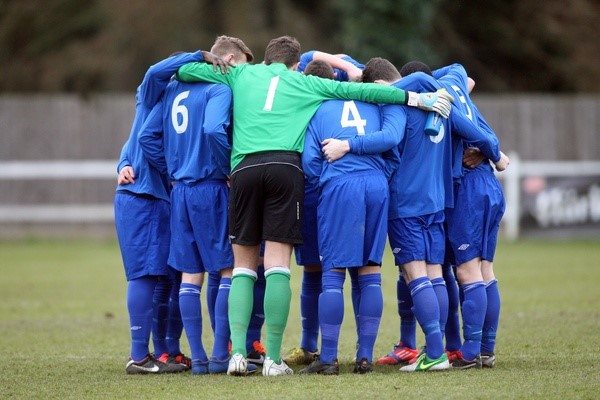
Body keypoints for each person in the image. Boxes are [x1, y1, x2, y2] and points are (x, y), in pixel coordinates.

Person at [175, 35, 453, 377]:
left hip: (244, 168)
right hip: (288, 170)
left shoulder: (241, 73)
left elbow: (185, 72)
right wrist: (416, 98)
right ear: (295, 65)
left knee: (244, 268)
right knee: (279, 266)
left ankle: (237, 354)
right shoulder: (305, 83)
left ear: (265, 59)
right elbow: (367, 92)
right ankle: (274, 360)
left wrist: (203, 56)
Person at [322, 57, 506, 372]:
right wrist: (496, 154)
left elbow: (389, 138)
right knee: (437, 274)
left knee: (415, 274)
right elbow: (480, 130)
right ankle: (448, 350)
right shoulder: (443, 105)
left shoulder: (396, 106)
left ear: (380, 87)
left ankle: (434, 353)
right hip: (438, 203)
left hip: (405, 204)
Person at [138, 35, 255, 375]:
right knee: (227, 268)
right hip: (211, 187)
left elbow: (147, 136)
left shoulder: (174, 87)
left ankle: (199, 360)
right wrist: (228, 168)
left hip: (181, 192)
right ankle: (219, 356)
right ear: (227, 60)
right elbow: (214, 130)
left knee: (191, 274)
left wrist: (172, 171)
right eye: (240, 67)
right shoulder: (219, 88)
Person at [115, 49, 228, 374]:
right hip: (144, 194)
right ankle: (139, 356)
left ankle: (168, 351)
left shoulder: (174, 96)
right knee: (146, 274)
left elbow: (134, 140)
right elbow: (153, 75)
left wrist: (125, 161)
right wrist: (198, 55)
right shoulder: (153, 90)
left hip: (168, 198)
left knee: (172, 275)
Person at [297, 60, 395, 375]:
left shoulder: (318, 109)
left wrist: (328, 180)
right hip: (376, 186)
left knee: (333, 274)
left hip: (340, 187)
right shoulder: (374, 103)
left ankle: (328, 358)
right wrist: (377, 175)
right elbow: (393, 153)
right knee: (370, 272)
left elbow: (310, 161)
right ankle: (365, 358)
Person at [285, 51, 365, 367]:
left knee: (322, 270)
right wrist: (347, 65)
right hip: (335, 191)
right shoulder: (347, 95)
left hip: (317, 189)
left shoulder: (308, 103)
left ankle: (315, 345)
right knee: (332, 268)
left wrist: (344, 65)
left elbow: (304, 56)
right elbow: (359, 66)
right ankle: (355, 349)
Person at [430, 62, 508, 369]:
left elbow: (486, 140)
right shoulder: (462, 90)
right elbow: (465, 75)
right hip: (488, 186)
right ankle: (486, 349)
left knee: (467, 272)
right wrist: (493, 155)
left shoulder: (443, 100)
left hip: (469, 190)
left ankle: (471, 351)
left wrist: (494, 153)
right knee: (485, 270)